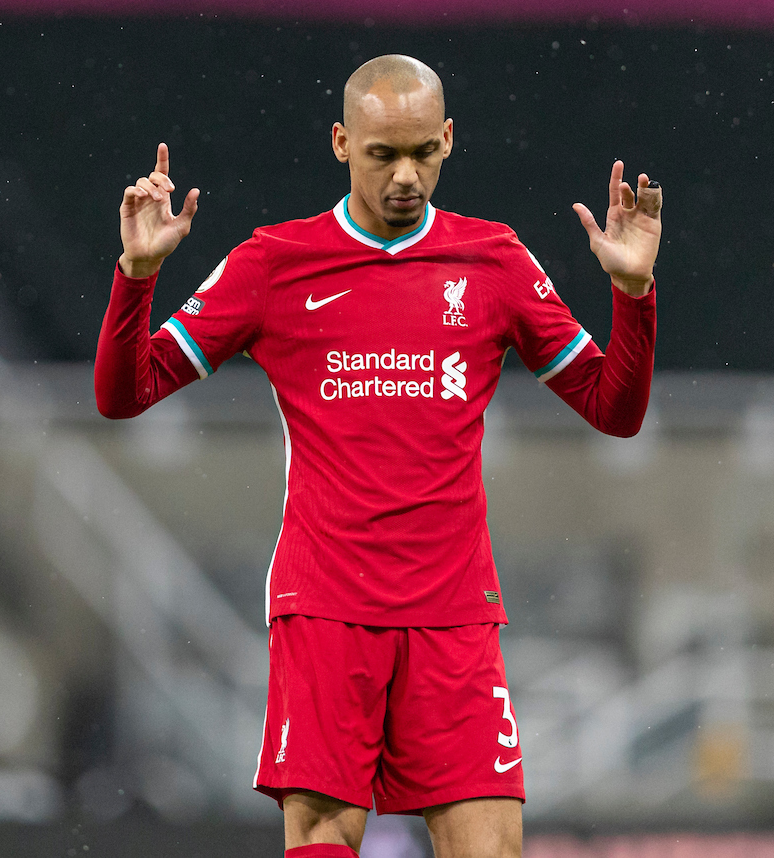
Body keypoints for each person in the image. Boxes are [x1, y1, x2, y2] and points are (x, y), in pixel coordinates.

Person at [95, 54, 661, 858]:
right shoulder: (274, 264)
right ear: (339, 143)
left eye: (424, 152)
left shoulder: (494, 261)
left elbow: (616, 410)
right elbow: (127, 392)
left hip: (455, 612)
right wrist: (136, 276)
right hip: (326, 605)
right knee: (325, 836)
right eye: (381, 154)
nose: (405, 175)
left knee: (494, 847)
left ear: (450, 139)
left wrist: (633, 297)